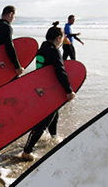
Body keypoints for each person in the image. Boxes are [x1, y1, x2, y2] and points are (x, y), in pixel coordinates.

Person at [21, 21, 76, 161]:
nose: (64, 40)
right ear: (58, 38)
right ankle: (27, 151)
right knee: (44, 122)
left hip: (40, 89)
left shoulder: (42, 49)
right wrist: (69, 90)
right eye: (63, 37)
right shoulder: (53, 50)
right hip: (48, 92)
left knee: (54, 116)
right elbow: (60, 71)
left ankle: (53, 138)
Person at [0, 5, 24, 77]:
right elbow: (9, 46)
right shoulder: (6, 27)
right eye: (14, 17)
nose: (14, 19)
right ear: (10, 14)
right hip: (6, 62)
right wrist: (17, 66)